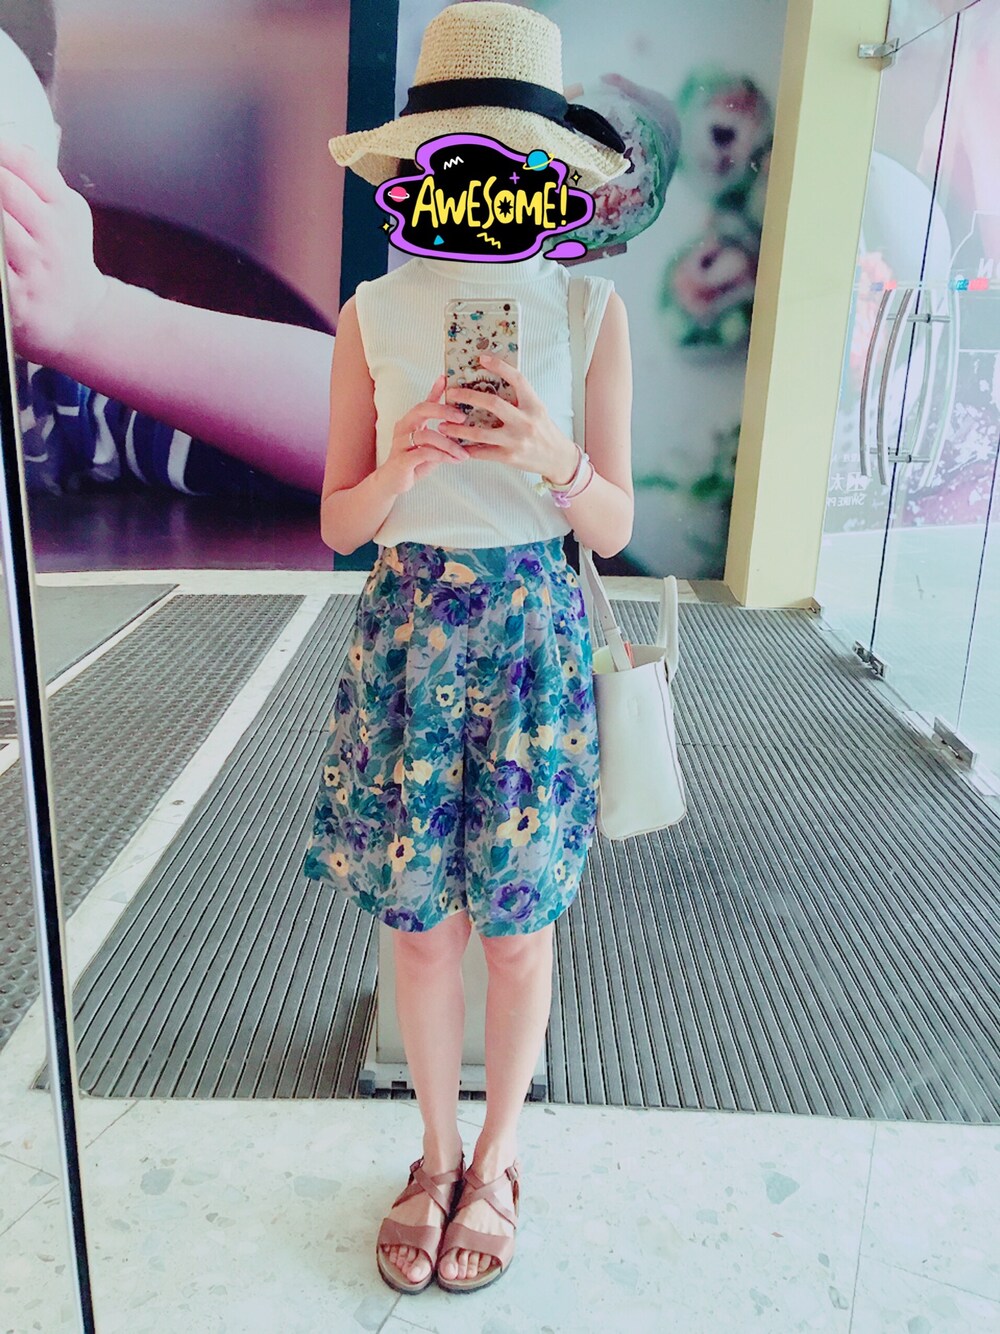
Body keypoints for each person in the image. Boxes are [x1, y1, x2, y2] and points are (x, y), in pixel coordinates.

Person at [302, 1, 633, 1296]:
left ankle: (498, 1160)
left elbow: (614, 528)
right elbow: (338, 522)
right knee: (424, 928)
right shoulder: (372, 314)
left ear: (542, 176)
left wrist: (554, 457)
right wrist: (402, 464)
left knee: (517, 930)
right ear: (428, 168)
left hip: (534, 638)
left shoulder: (590, 309)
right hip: (409, 634)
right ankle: (434, 1156)